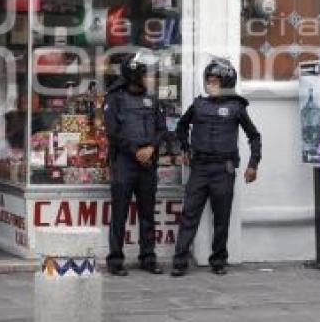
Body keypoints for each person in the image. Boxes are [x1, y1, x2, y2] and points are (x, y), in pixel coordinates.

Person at [171, 58, 261, 277]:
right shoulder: (198, 105)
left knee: (221, 218)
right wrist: (183, 147)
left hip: (224, 169)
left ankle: (219, 260)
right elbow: (181, 127)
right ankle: (180, 261)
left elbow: (254, 136)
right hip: (199, 168)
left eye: (215, 81)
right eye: (208, 80)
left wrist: (253, 164)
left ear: (226, 82)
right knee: (189, 215)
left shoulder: (237, 107)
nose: (210, 84)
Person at [104, 51, 168, 276]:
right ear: (135, 74)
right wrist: (135, 152)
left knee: (147, 213)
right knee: (119, 214)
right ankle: (115, 260)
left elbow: (162, 129)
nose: (153, 77)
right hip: (124, 163)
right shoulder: (115, 98)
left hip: (148, 163)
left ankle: (148, 258)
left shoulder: (153, 98)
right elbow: (113, 133)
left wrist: (151, 148)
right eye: (148, 73)